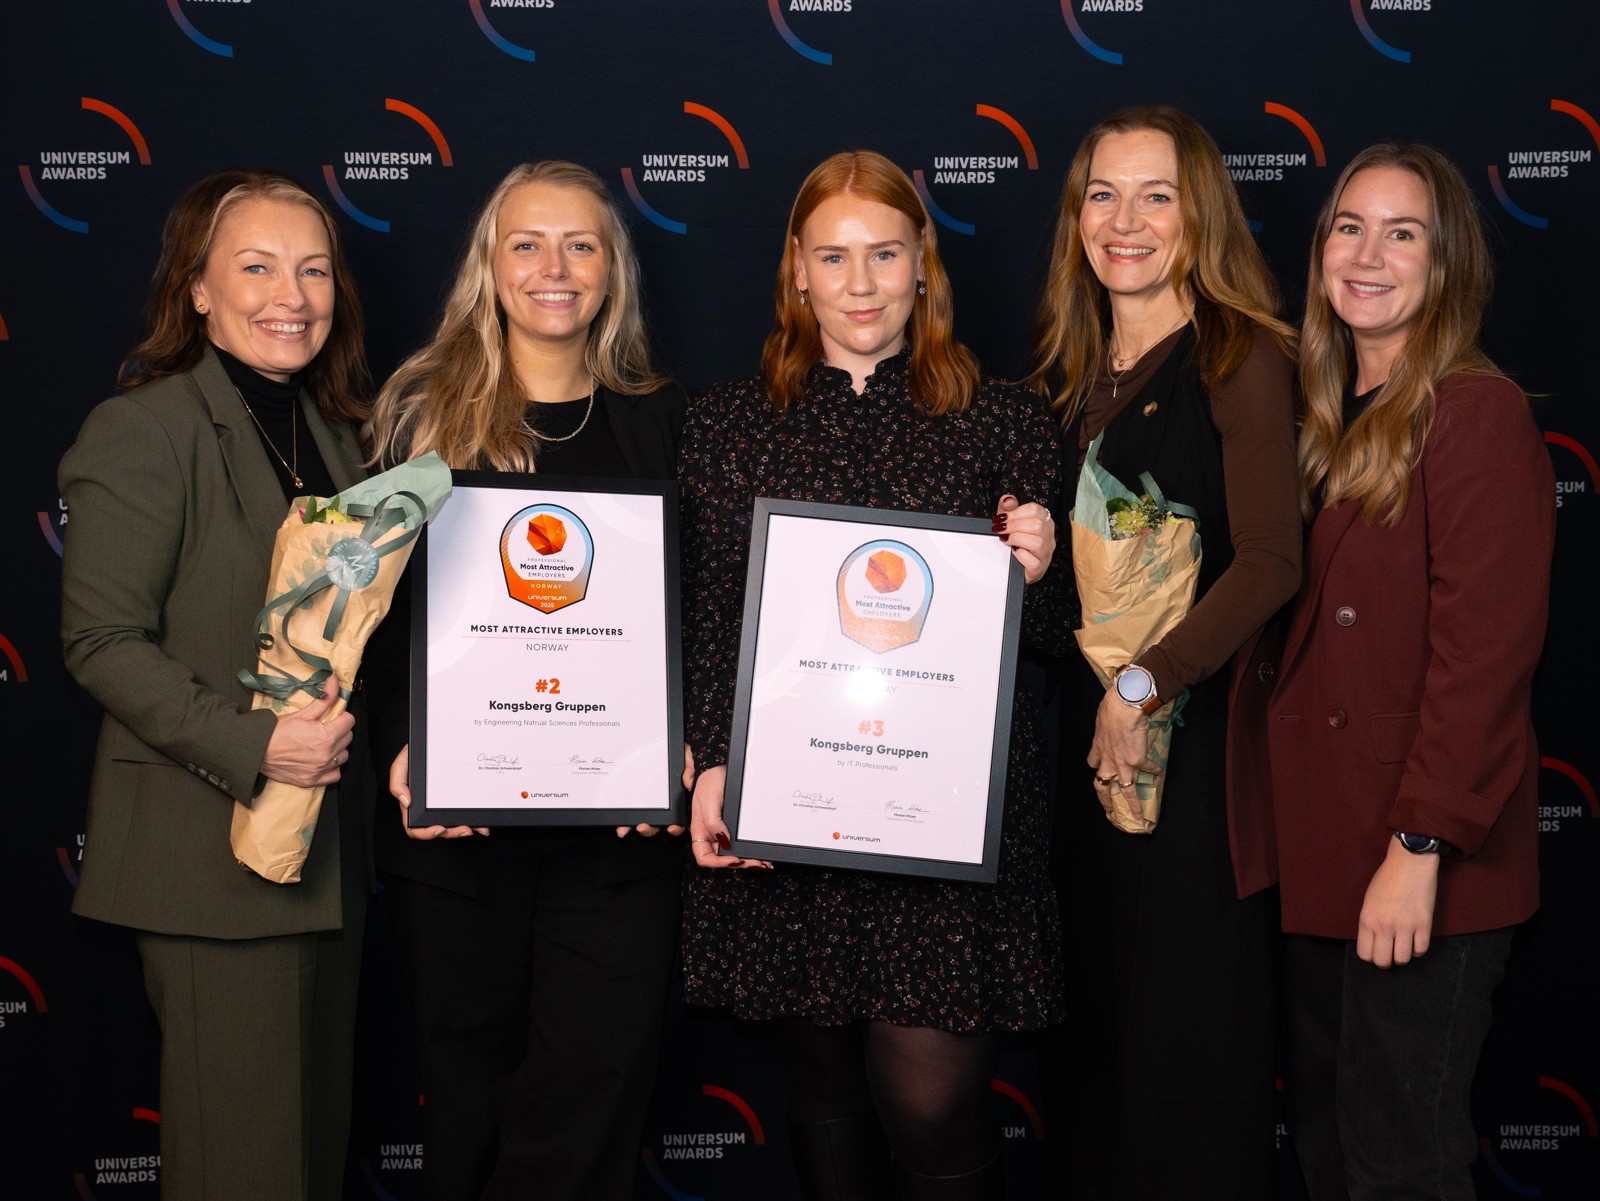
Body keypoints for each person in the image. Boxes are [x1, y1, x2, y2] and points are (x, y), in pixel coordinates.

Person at [680, 149, 1062, 1201]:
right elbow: (711, 615)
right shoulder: (727, 424)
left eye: (884, 254)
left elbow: (1064, 639)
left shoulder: (1004, 418)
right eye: (833, 256)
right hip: (793, 811)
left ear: (922, 263)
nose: (859, 283)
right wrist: (712, 764)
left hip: (940, 829)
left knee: (933, 1108)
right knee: (822, 1090)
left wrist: (1040, 564)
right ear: (795, 271)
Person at [365, 160, 688, 1201]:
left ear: (613, 270)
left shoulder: (664, 422)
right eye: (527, 244)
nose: (555, 268)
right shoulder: (416, 417)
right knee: (469, 1099)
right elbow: (362, 623)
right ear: (489, 267)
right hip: (459, 836)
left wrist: (678, 734)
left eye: (581, 244)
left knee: (593, 1097)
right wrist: (401, 751)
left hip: (615, 839)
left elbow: (699, 611)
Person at [59, 170, 372, 1201]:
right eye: (257, 266)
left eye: (314, 269)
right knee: (245, 1172)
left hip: (324, 857)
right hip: (212, 862)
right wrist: (256, 744)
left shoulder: (332, 436)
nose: (292, 293)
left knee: (307, 1162)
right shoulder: (144, 430)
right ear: (196, 288)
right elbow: (100, 641)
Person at [1026, 106, 1302, 1200]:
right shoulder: (1072, 368)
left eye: (1156, 195)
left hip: (1195, 775)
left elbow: (1273, 562)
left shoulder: (1238, 356)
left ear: (1201, 216)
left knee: (1185, 1064)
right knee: (1097, 1054)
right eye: (1102, 193)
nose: (1124, 221)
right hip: (1089, 768)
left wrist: (1146, 683)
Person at [1269, 144, 1554, 1201]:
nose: (1368, 254)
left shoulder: (1475, 414)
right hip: (1322, 857)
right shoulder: (1320, 413)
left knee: (1403, 1163)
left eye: (1403, 233)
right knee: (1334, 1153)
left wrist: (1418, 842)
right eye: (1349, 226)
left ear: (1446, 266)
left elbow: (1484, 657)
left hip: (1420, 863)